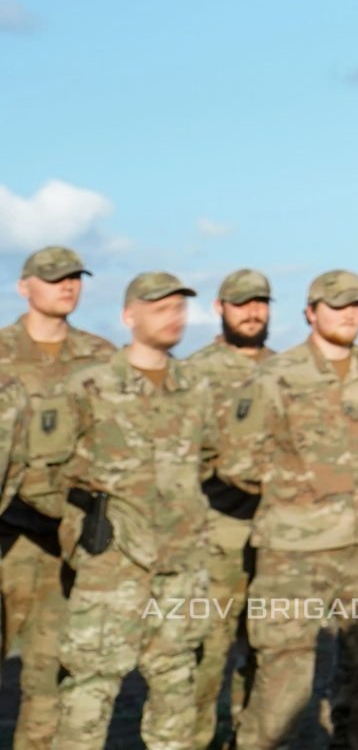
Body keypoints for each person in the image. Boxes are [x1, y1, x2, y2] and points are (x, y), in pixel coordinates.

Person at [212, 268, 358, 750]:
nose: (348, 315)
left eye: (357, 306)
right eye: (337, 306)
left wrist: (353, 486)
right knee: (285, 683)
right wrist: (300, 486)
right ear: (311, 312)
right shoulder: (275, 376)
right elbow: (236, 460)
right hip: (293, 551)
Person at [54, 272, 212, 750]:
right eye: (160, 308)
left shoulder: (197, 388)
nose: (174, 317)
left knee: (176, 686)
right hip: (111, 568)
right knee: (89, 691)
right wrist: (83, 532)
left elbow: (210, 459)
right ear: (129, 316)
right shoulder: (88, 386)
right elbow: (46, 471)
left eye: (179, 308)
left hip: (181, 567)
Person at [0, 244, 116, 750]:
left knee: (49, 676)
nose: (67, 285)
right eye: (53, 278)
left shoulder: (103, 358)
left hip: (66, 538)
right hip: (6, 534)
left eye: (74, 277)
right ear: (25, 287)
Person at [186, 266, 273, 748]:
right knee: (207, 656)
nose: (253, 312)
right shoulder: (195, 373)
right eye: (241, 303)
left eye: (260, 302)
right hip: (215, 536)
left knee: (268, 654)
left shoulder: (285, 369)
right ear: (220, 309)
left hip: (277, 538)